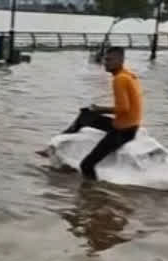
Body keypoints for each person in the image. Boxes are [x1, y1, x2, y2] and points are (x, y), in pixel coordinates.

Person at [61, 47, 144, 180]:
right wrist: (95, 110)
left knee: (86, 165)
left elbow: (123, 108)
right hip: (130, 125)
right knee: (85, 115)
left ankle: (93, 195)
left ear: (121, 60)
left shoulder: (120, 79)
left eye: (110, 60)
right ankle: (57, 144)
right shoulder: (129, 74)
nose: (106, 62)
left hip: (122, 131)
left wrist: (99, 109)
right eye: (105, 59)